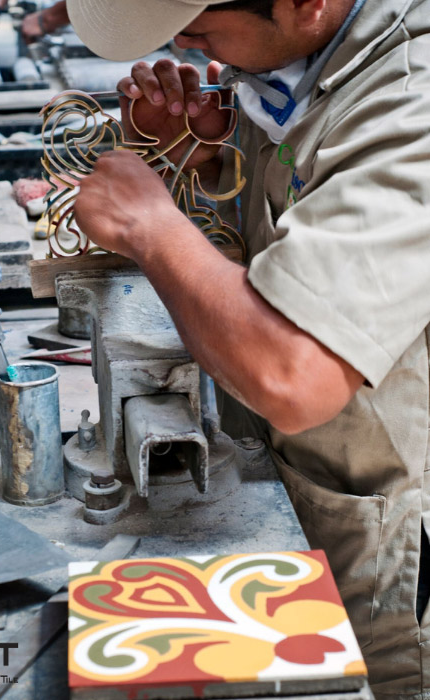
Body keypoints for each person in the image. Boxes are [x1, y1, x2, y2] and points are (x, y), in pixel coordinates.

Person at [64, 0, 430, 697]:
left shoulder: (412, 99)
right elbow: (300, 213)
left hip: (394, 542)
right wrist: (207, 161)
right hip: (306, 491)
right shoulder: (313, 56)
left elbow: (292, 373)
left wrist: (152, 225)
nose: (185, 42)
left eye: (201, 21)